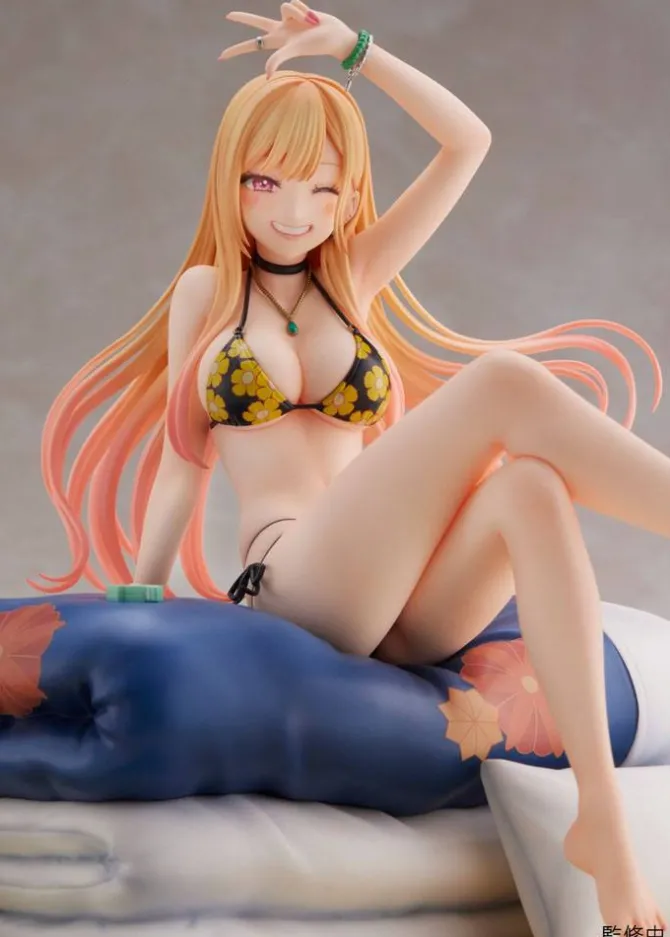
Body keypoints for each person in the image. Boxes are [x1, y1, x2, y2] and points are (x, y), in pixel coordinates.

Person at [33, 0, 668, 927]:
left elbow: (469, 142)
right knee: (502, 384)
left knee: (531, 486)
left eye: (323, 191)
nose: (295, 213)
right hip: (294, 582)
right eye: (266, 183)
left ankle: (600, 822)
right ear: (230, 183)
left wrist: (355, 50)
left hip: (399, 603)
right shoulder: (208, 295)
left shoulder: (353, 279)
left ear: (347, 194)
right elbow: (182, 464)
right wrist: (142, 593)